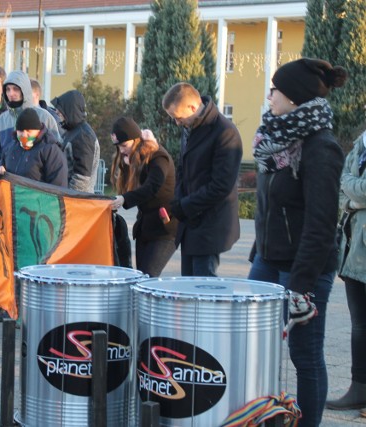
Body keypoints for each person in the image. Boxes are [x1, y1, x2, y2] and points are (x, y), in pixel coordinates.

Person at [248, 58, 347, 427]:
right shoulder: (275, 141)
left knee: (305, 357)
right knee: (253, 344)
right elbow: (270, 206)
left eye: (275, 90)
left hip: (305, 269)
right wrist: (260, 249)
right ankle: (261, 416)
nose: (270, 96)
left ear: (294, 98)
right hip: (268, 260)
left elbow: (321, 224)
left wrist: (301, 285)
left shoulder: (321, 148)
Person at [163, 82, 242, 276]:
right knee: (188, 287)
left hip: (210, 224)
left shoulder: (225, 132)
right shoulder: (190, 127)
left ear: (192, 107)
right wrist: (177, 201)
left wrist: (185, 206)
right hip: (190, 222)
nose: (177, 123)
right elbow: (183, 168)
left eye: (178, 117)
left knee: (202, 290)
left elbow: (221, 186)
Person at [325, 128, 366, 412]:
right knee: (359, 325)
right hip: (355, 249)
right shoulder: (361, 143)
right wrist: (355, 196)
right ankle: (359, 387)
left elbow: (359, 188)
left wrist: (353, 193)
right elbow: (343, 184)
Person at [109, 117, 177, 277]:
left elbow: (151, 187)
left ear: (136, 140)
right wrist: (127, 168)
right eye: (118, 147)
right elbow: (130, 187)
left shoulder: (159, 157)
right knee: (140, 278)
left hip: (165, 229)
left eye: (124, 146)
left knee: (147, 277)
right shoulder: (133, 159)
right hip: (145, 229)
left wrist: (124, 199)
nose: (121, 151)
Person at [0, 70, 61, 173]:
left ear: (24, 90)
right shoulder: (2, 120)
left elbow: (56, 154)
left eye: (15, 89)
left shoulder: (44, 117)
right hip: (7, 183)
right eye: (8, 89)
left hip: (35, 183)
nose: (11, 93)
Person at [0, 107, 67, 187]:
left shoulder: (51, 150)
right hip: (13, 198)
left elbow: (58, 185)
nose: (24, 135)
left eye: (29, 131)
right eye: (21, 131)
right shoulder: (10, 149)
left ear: (38, 130)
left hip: (39, 198)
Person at [51, 89, 100, 193]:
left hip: (77, 202)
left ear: (70, 109)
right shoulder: (73, 132)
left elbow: (81, 179)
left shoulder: (83, 136)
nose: (57, 111)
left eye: (60, 108)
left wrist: (69, 199)